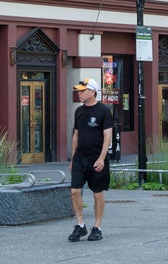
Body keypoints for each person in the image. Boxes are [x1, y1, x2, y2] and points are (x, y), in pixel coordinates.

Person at [67, 78, 113, 242]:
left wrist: (102, 158)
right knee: (74, 191)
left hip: (96, 158)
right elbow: (76, 135)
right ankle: (80, 225)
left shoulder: (104, 111)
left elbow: (108, 135)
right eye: (78, 91)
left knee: (97, 193)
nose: (79, 93)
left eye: (82, 91)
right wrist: (73, 159)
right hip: (80, 158)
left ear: (92, 92)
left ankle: (97, 227)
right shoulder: (79, 111)